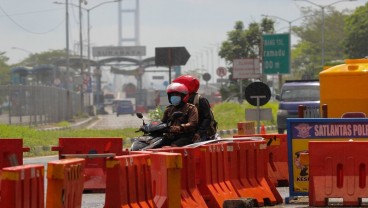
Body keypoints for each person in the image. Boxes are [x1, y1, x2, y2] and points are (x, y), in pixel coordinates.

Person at [173, 75, 217, 142]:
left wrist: (199, 133)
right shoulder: (181, 100)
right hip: (185, 132)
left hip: (199, 134)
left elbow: (207, 118)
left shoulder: (200, 100)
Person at [161, 82, 199, 147]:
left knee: (173, 146)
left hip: (186, 136)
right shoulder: (169, 109)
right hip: (171, 135)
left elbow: (193, 123)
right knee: (157, 143)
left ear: (183, 96)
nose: (174, 97)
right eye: (172, 95)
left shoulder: (191, 108)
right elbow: (163, 122)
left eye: (176, 95)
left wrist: (180, 127)